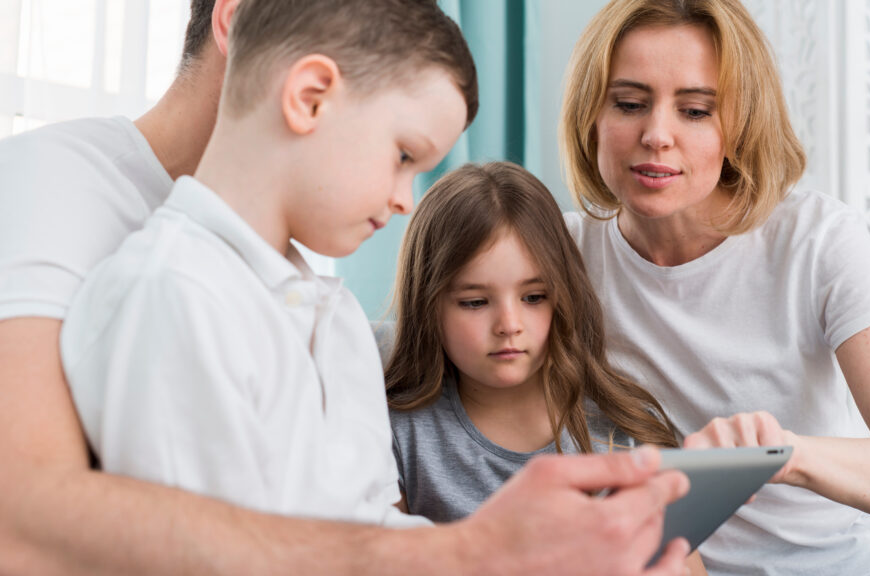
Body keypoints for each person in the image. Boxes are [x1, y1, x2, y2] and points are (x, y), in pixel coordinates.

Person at [0, 1, 691, 574]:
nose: (405, 200)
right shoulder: (173, 294)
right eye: (403, 156)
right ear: (309, 97)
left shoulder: (330, 316)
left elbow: (368, 528)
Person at [557, 0, 870, 575]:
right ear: (591, 116)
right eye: (629, 104)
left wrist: (783, 456)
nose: (656, 135)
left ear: (740, 126)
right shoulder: (559, 259)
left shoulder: (816, 240)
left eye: (696, 111)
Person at [384, 162, 707, 573]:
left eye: (534, 297)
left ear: (564, 296)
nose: (509, 325)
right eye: (475, 302)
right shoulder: (397, 435)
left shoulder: (624, 429)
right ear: (427, 307)